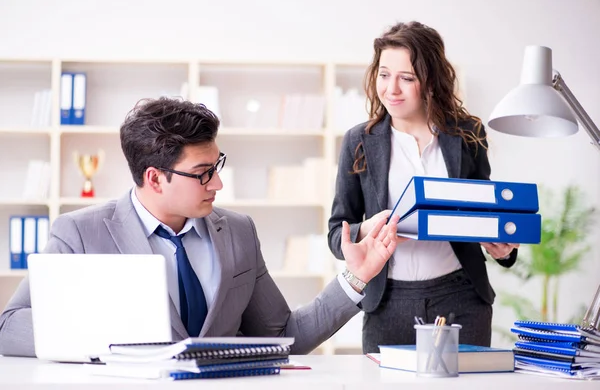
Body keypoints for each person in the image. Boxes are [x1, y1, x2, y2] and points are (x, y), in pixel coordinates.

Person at [0, 97, 400, 358]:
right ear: (155, 179)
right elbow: (9, 327)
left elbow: (286, 335)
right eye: (202, 173)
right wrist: (110, 335)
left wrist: (357, 276)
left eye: (217, 166)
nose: (218, 184)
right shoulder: (79, 233)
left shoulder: (239, 232)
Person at [327, 21, 519, 354]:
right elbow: (335, 234)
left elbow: (486, 212)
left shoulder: (467, 133)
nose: (392, 89)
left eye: (407, 78)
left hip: (461, 298)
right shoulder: (358, 141)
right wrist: (365, 230)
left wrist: (504, 246)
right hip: (387, 304)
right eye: (384, 74)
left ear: (430, 80)